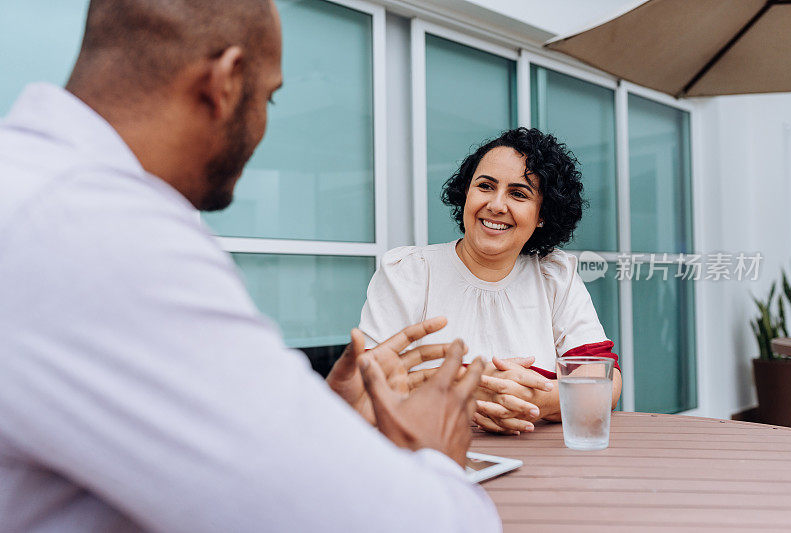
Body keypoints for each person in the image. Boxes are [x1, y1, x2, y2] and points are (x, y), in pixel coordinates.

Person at [0, 1, 500, 531]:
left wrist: (323, 419)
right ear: (226, 81)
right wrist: (434, 455)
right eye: (269, 97)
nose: (263, 122)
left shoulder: (37, 187)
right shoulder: (98, 228)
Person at [359, 127, 622, 435]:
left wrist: (538, 400)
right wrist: (470, 389)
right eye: (485, 186)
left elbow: (605, 381)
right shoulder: (408, 272)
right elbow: (366, 387)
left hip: (541, 463)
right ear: (466, 194)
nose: (497, 205)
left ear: (542, 215)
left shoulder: (555, 275)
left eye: (518, 194)